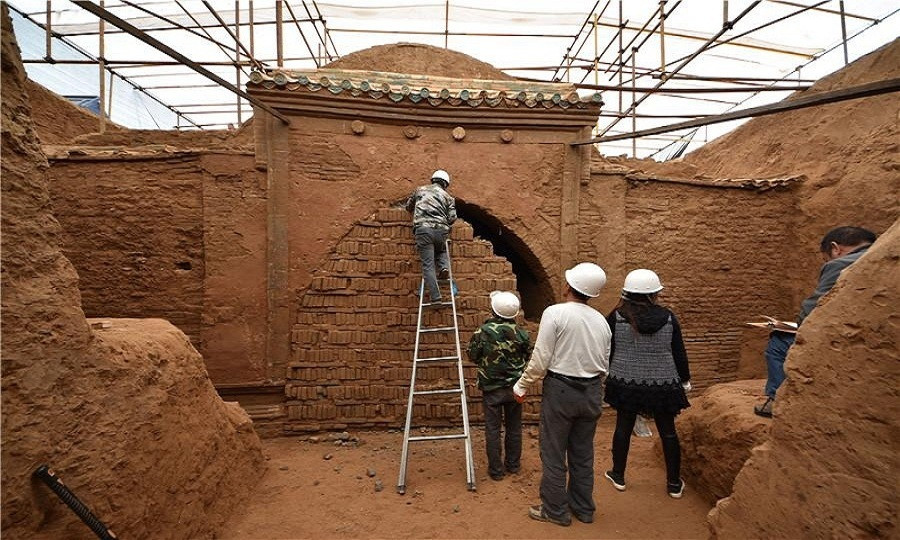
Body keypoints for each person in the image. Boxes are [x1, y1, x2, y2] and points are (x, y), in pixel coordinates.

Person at [512, 262, 611, 527]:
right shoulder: (601, 321)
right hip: (591, 391)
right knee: (583, 453)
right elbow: (605, 361)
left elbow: (541, 357)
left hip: (562, 390)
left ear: (568, 286)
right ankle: (584, 508)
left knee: (554, 452)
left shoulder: (555, 313)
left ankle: (555, 511)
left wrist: (522, 385)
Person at [755, 226, 876, 418]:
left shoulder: (841, 263)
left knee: (778, 342)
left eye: (826, 259)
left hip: (845, 339)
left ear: (835, 248)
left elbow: (812, 308)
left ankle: (776, 400)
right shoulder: (881, 256)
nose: (827, 262)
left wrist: (797, 326)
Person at [602, 269, 691, 499]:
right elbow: (678, 351)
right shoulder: (669, 317)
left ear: (627, 292)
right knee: (668, 432)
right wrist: (685, 379)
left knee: (623, 427)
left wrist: (608, 372)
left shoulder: (616, 316)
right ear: (654, 294)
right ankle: (673, 484)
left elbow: (607, 348)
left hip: (625, 382)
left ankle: (618, 475)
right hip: (663, 384)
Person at [466, 291, 532, 481]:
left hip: (491, 389)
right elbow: (528, 356)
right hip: (515, 388)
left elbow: (472, 355)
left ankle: (496, 471)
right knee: (514, 427)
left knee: (493, 428)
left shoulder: (482, 332)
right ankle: (513, 465)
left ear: (494, 310)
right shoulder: (521, 334)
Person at [405, 170, 456, 303]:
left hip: (423, 230)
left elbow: (408, 207)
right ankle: (444, 267)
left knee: (428, 265)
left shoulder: (419, 190)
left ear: (433, 180)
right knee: (442, 249)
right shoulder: (448, 197)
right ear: (445, 184)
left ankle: (436, 296)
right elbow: (452, 218)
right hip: (441, 231)